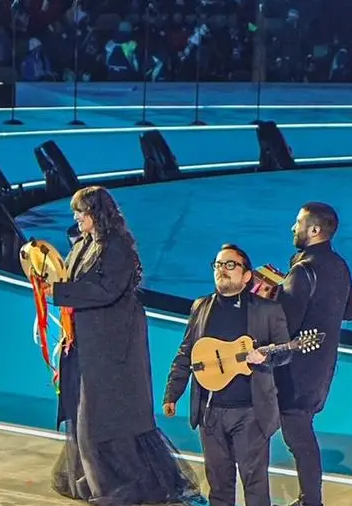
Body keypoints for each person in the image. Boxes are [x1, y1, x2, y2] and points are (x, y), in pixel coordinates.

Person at [45, 186, 202, 505]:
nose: (77, 217)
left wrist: (61, 292)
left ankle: (121, 487)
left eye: (82, 212)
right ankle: (97, 481)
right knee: (83, 416)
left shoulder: (117, 248)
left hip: (113, 348)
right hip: (85, 345)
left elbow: (106, 290)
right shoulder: (84, 245)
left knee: (106, 417)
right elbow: (73, 282)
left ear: (97, 214)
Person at [163, 244, 292, 506]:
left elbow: (285, 352)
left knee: (254, 486)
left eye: (230, 265)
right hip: (210, 411)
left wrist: (265, 355)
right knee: (219, 486)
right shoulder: (201, 307)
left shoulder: (267, 311)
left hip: (250, 412)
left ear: (247, 276)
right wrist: (172, 393)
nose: (222, 269)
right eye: (218, 265)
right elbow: (186, 353)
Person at [272, 202, 352, 506]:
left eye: (298, 222)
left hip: (295, 370)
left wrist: (273, 294)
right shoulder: (339, 266)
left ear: (315, 230)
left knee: (298, 437)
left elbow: (285, 323)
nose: (293, 228)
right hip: (322, 368)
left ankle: (312, 501)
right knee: (300, 431)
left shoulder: (304, 270)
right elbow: (351, 310)